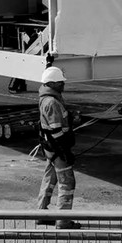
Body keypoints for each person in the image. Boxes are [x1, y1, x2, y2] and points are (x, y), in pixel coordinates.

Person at [36, 65, 80, 229]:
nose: (63, 85)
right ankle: (63, 221)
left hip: (50, 149)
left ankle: (41, 214)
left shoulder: (46, 99)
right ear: (52, 83)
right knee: (67, 183)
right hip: (57, 149)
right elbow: (57, 132)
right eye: (61, 82)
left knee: (49, 179)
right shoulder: (52, 102)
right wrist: (65, 152)